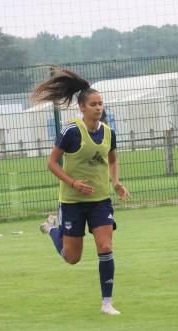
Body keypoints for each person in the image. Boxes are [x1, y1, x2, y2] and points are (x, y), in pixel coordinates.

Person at [33, 68, 129, 316]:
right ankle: (52, 228)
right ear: (82, 108)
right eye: (94, 104)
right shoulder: (71, 132)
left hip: (100, 201)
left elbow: (113, 159)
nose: (99, 108)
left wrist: (116, 182)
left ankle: (107, 302)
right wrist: (73, 183)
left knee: (105, 247)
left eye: (101, 104)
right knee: (72, 257)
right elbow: (52, 163)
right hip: (72, 202)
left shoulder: (109, 133)